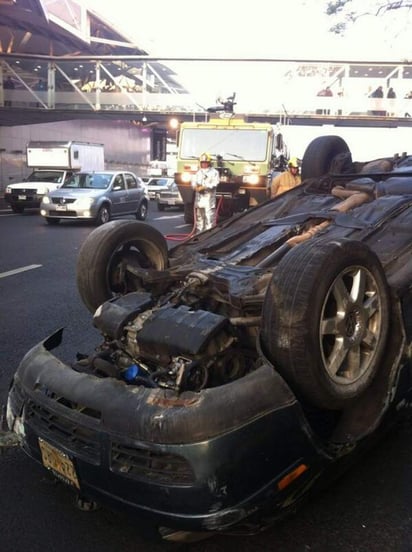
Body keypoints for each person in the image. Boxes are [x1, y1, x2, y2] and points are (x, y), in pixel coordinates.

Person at [191, 152, 219, 233]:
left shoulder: (214, 172)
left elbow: (215, 183)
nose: (204, 164)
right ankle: (199, 233)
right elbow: (193, 182)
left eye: (205, 162)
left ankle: (209, 234)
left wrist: (205, 186)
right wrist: (195, 187)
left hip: (209, 198)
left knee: (209, 217)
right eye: (202, 162)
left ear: (209, 163)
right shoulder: (198, 172)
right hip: (199, 198)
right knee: (199, 217)